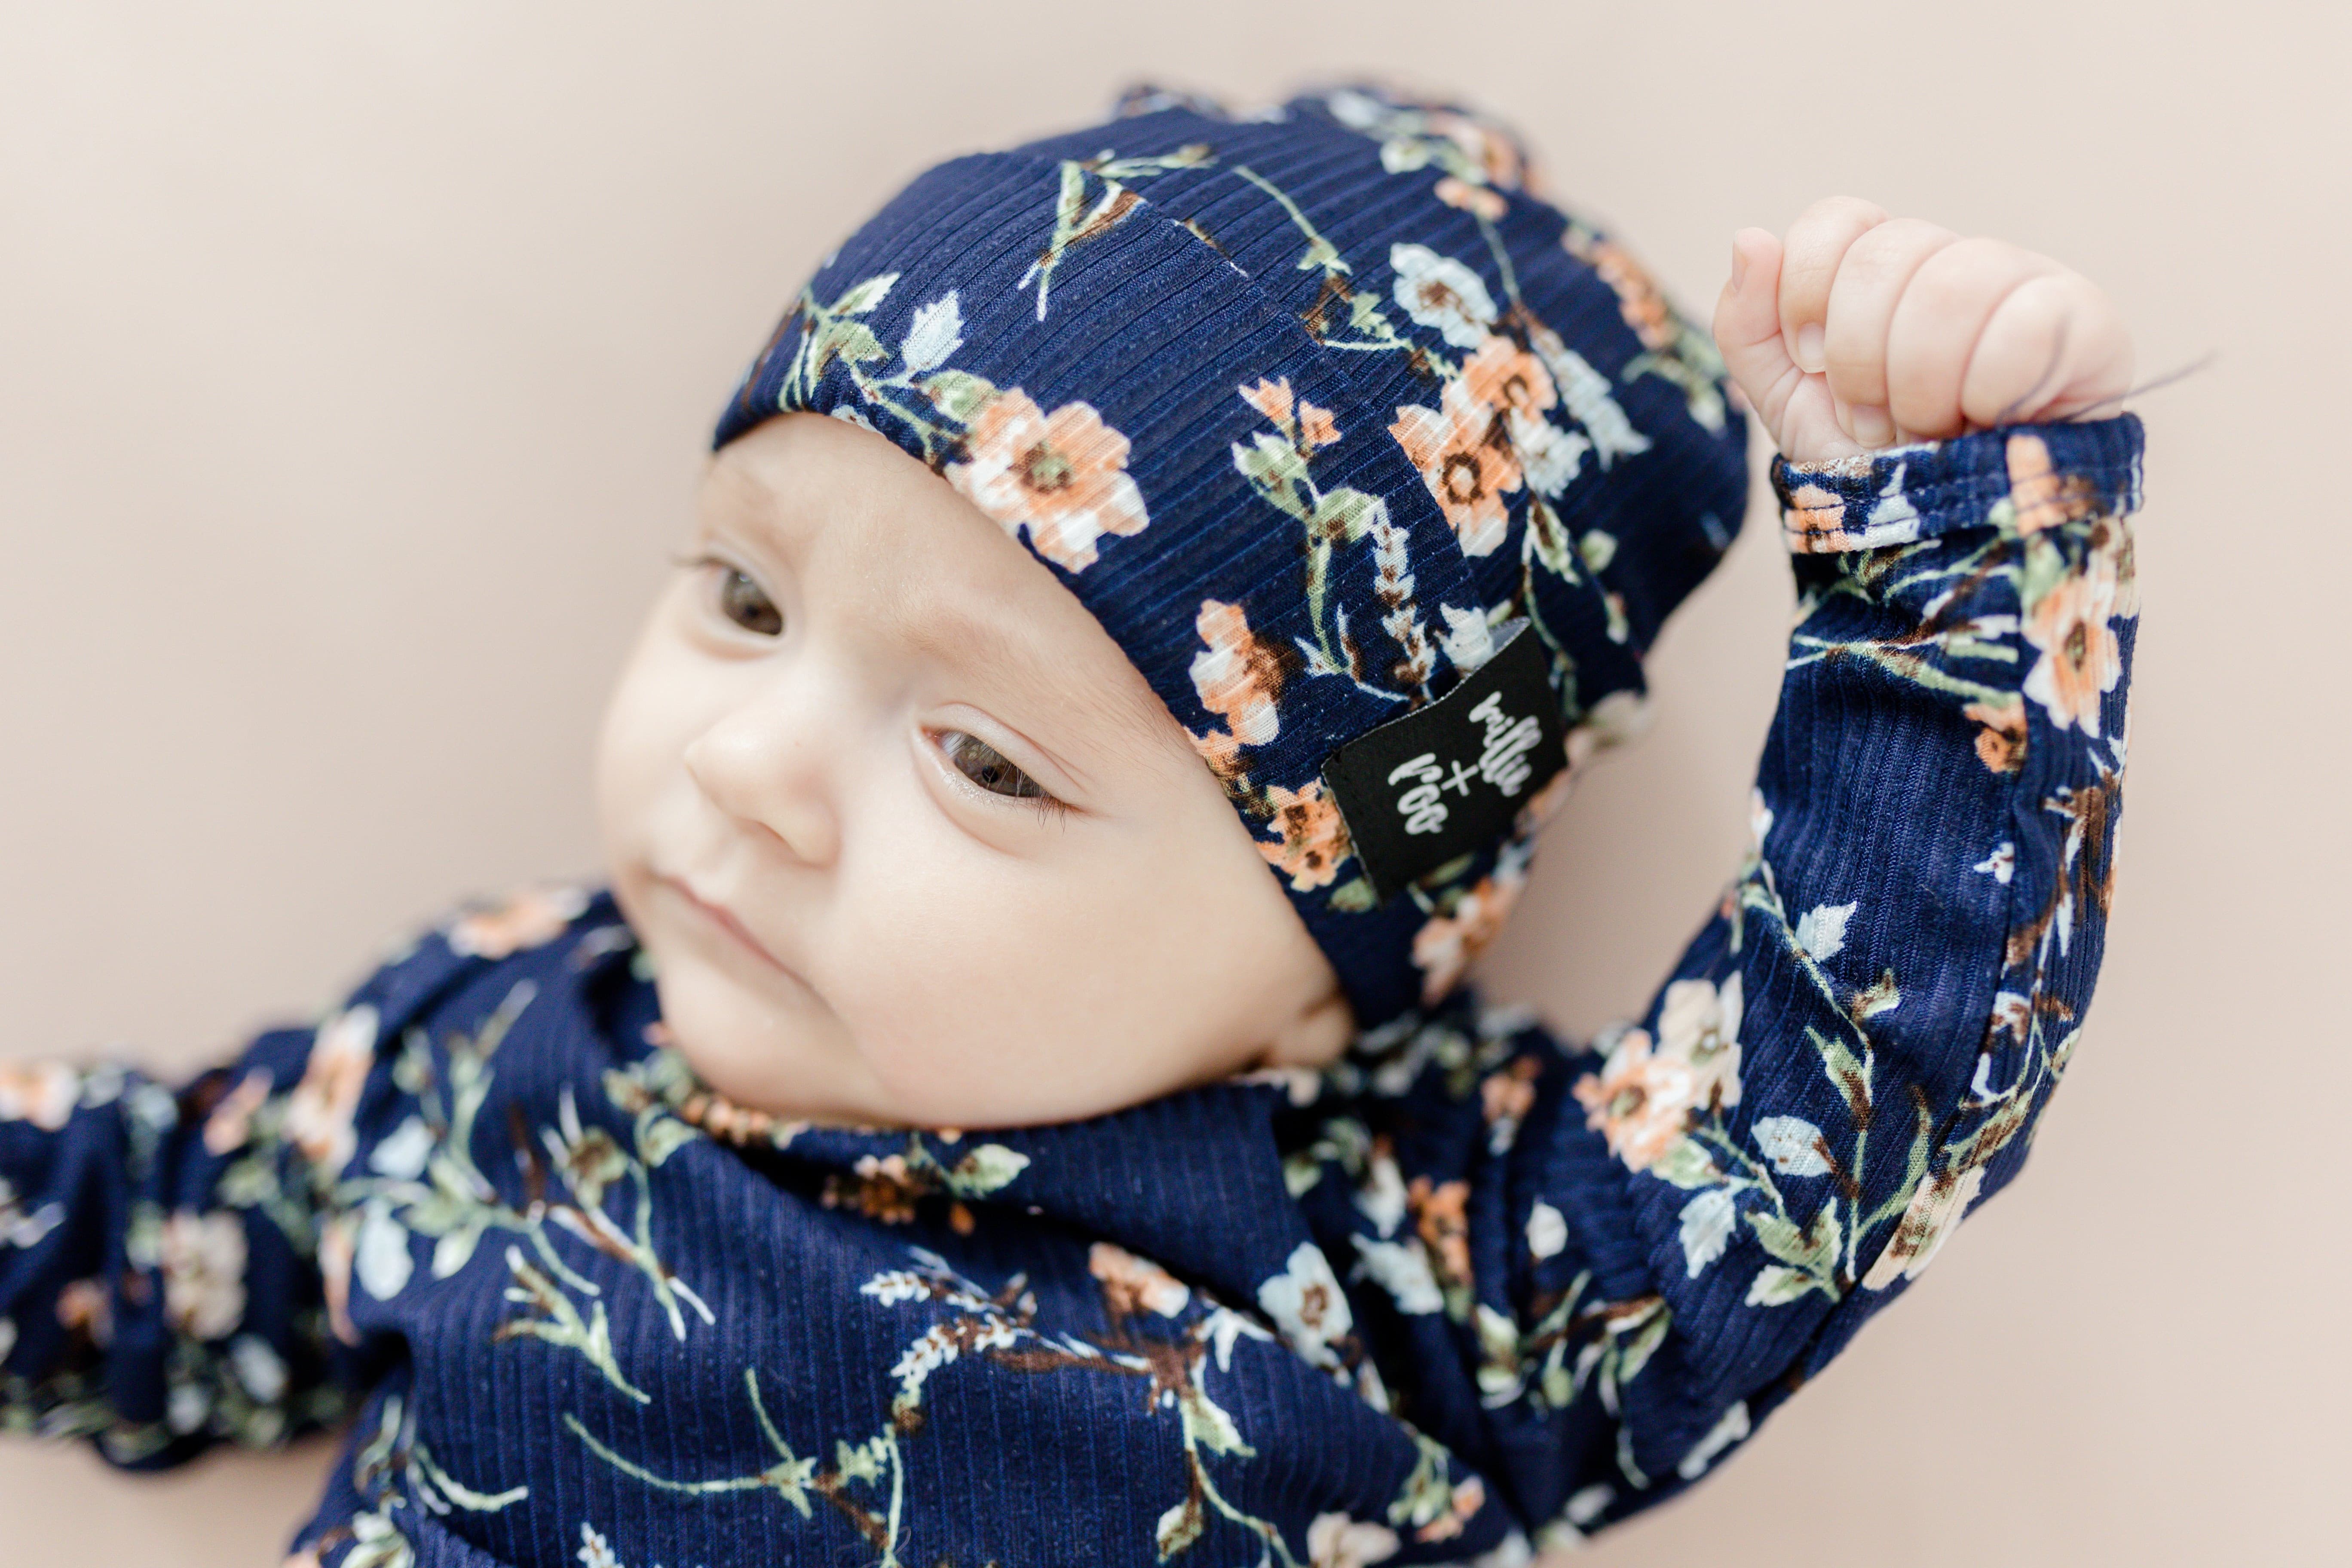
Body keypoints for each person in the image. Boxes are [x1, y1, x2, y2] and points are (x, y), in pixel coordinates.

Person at [0, 84, 2141, 1567]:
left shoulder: (1412, 1261)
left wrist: (1950, 575)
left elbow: (1843, 1093)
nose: (745, 768)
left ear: (1337, 953)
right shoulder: (496, 1041)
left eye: (989, 762)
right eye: (743, 599)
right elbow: (121, 1237)